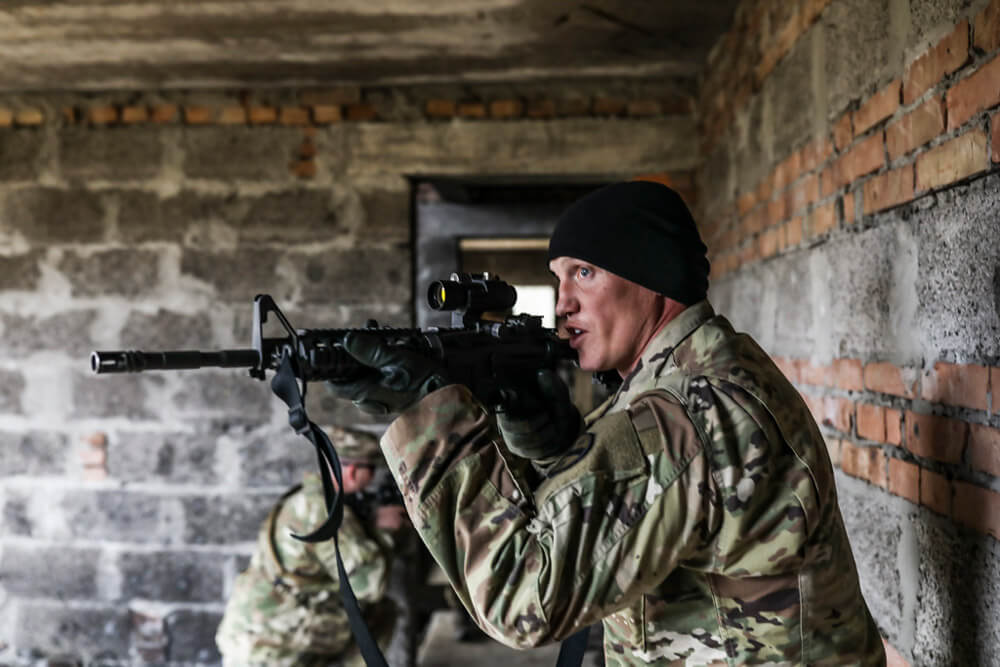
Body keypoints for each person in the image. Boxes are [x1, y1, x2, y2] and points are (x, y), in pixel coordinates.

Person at [326, 181, 886, 665]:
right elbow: (623, 514)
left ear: (652, 277)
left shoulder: (681, 417)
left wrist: (429, 421)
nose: (562, 303)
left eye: (584, 273)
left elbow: (521, 600)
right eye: (558, 278)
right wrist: (550, 447)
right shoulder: (713, 369)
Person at [215, 425, 406, 667]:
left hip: (250, 627)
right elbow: (370, 584)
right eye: (371, 469)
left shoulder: (304, 498)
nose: (371, 481)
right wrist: (385, 532)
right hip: (272, 645)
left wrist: (370, 521)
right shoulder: (325, 512)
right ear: (353, 472)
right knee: (380, 612)